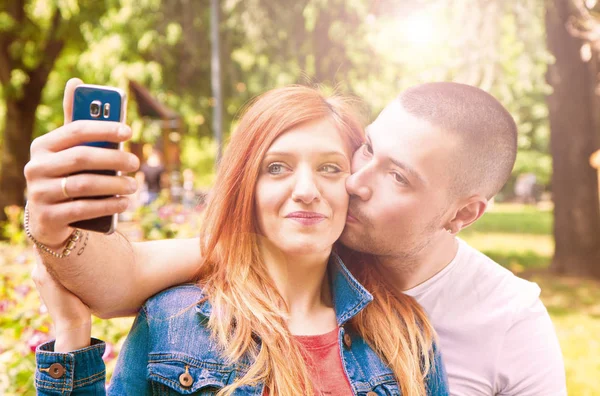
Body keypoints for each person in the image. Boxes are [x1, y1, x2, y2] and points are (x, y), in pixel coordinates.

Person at [25, 80, 566, 395]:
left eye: (330, 168)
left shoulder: (416, 335)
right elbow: (126, 273)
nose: (354, 182)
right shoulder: (174, 320)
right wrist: (68, 314)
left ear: (463, 214)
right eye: (277, 168)